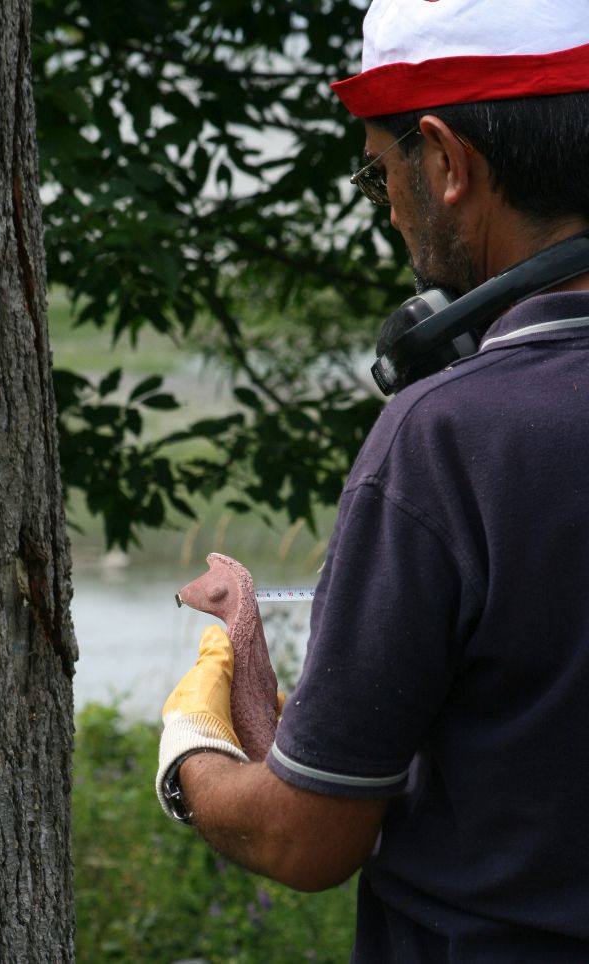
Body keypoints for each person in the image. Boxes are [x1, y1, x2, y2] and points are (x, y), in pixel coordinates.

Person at [156, 2, 589, 959]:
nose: (391, 206)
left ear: (444, 161)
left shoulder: (449, 438)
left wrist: (191, 748)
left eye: (380, 173)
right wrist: (278, 702)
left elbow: (305, 838)